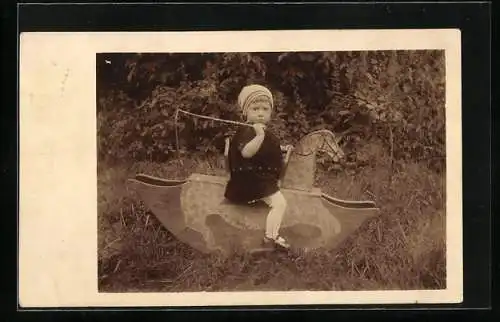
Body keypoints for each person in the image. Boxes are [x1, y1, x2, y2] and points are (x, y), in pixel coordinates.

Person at [224, 84, 291, 250]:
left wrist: (281, 148)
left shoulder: (259, 131)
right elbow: (247, 152)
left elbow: (265, 147)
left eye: (265, 109)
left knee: (279, 200)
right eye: (255, 109)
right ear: (245, 112)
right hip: (250, 180)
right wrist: (260, 135)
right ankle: (270, 237)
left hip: (258, 177)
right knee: (280, 203)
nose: (260, 113)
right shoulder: (247, 131)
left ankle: (271, 235)